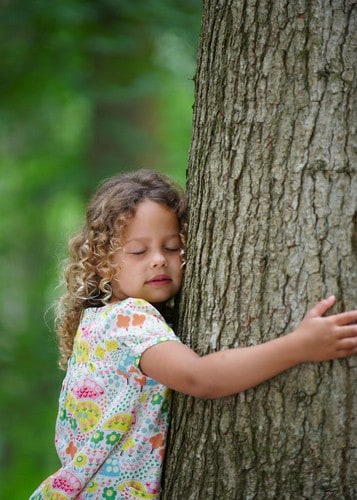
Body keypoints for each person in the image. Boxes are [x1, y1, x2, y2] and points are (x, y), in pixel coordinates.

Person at [30, 169, 357, 500]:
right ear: (102, 262)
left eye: (172, 247)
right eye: (139, 252)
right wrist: (297, 346)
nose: (159, 260)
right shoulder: (130, 319)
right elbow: (201, 378)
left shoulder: (96, 322)